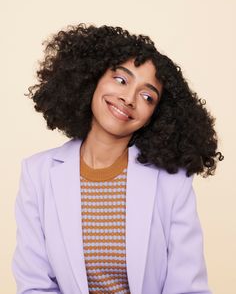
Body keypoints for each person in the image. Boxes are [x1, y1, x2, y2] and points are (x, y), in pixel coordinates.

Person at [12, 23, 223, 294]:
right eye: (121, 80)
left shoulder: (173, 183)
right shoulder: (37, 174)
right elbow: (34, 285)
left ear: (156, 115)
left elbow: (187, 289)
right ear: (92, 79)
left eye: (147, 96)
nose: (128, 98)